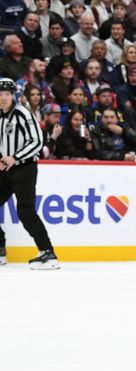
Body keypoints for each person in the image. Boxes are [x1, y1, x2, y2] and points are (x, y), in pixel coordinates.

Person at [0, 78, 58, 269]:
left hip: (24, 168)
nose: (3, 98)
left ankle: (48, 253)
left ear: (14, 95)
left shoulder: (22, 113)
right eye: (0, 94)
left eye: (7, 94)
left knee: (25, 211)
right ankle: (0, 249)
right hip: (5, 169)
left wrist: (14, 157)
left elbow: (36, 141)